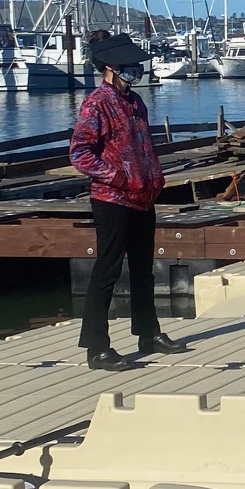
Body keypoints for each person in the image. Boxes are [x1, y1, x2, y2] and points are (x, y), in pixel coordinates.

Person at [69, 33, 190, 371]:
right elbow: (79, 154)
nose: (137, 70)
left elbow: (143, 147)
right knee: (107, 270)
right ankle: (97, 347)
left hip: (143, 197)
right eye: (131, 66)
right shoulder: (97, 103)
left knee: (143, 269)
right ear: (111, 67)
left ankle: (148, 333)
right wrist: (119, 178)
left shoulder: (136, 101)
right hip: (112, 199)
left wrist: (155, 177)